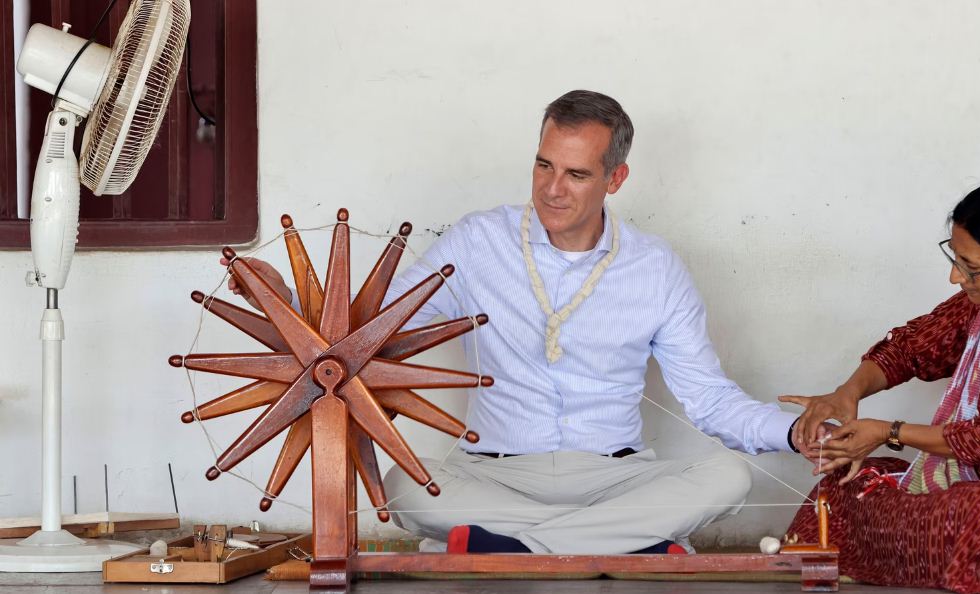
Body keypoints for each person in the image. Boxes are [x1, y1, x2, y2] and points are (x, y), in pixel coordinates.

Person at [229, 90, 817, 555]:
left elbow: (709, 401)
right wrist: (277, 296)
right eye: (543, 165)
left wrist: (795, 433)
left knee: (727, 478)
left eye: (576, 175)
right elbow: (367, 332)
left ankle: (514, 549)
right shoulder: (478, 240)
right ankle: (620, 543)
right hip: (495, 479)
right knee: (405, 488)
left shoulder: (656, 267)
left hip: (615, 477)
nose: (551, 190)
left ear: (616, 179)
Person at [781, 181, 980, 593]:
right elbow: (909, 349)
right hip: (970, 483)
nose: (955, 276)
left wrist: (887, 432)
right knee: (854, 483)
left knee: (975, 511)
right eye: (954, 256)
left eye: (970, 267)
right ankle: (964, 555)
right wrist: (848, 393)